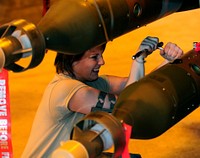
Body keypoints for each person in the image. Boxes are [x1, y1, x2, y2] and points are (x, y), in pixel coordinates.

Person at [21, 36, 183, 157]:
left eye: (101, 55)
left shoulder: (93, 83)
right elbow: (130, 103)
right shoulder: (66, 89)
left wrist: (169, 62)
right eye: (94, 57)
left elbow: (139, 86)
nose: (102, 61)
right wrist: (138, 59)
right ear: (72, 60)